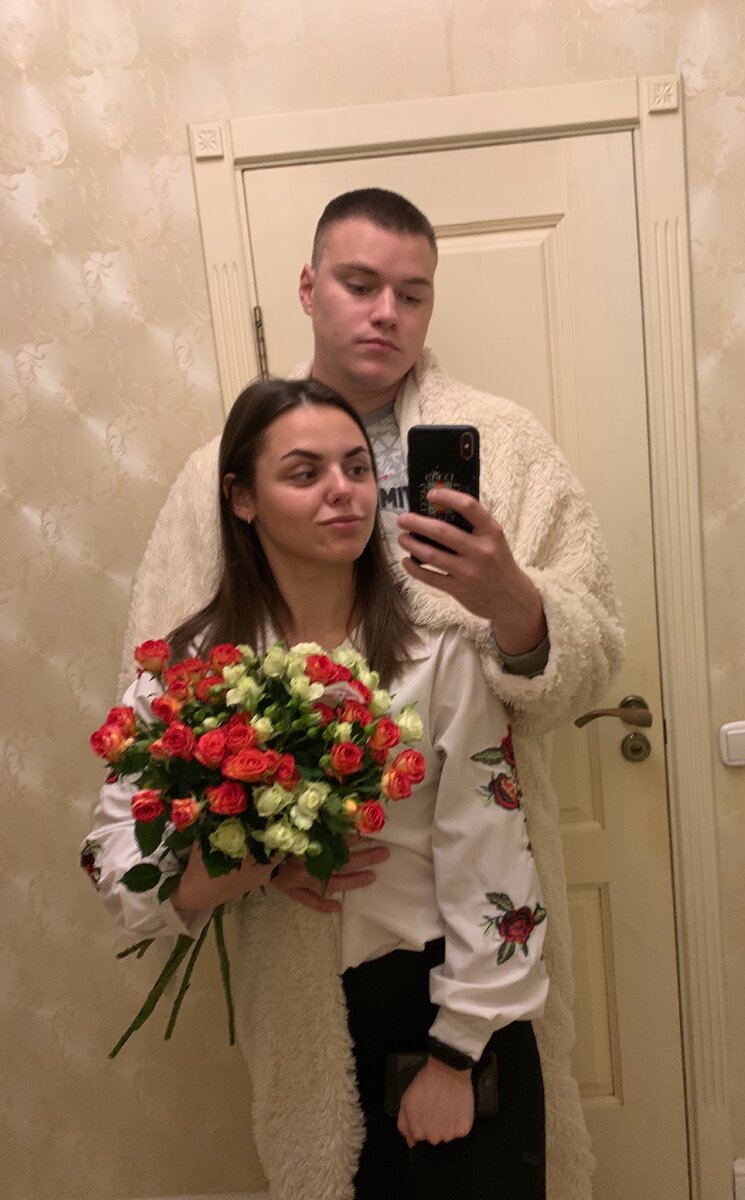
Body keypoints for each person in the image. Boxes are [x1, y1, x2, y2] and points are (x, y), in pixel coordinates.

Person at [119, 188, 622, 1197]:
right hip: (304, 927)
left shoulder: (505, 445)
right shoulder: (215, 474)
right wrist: (257, 851)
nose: (387, 312)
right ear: (309, 289)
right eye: (360, 284)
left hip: (471, 882)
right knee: (330, 1154)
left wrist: (513, 601)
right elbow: (165, 698)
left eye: (413, 293)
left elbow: (595, 653)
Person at [86, 378, 551, 1199]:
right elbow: (114, 857)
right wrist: (253, 863)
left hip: (447, 1005)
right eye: (305, 473)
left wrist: (456, 1054)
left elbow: (491, 847)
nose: (343, 491)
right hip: (308, 1021)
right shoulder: (193, 671)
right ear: (242, 498)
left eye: (357, 468)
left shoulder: (436, 647)